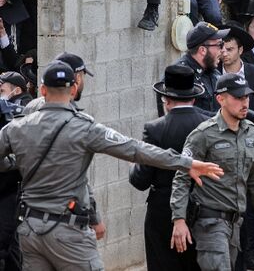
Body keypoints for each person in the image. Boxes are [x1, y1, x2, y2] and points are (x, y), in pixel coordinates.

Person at [0, 61, 222, 270]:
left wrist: (15, 161)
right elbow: (135, 149)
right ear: (73, 91)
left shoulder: (16, 127)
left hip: (30, 230)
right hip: (68, 231)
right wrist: (185, 163)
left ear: (42, 91)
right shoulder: (84, 128)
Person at [170, 73, 254, 270]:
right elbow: (182, 177)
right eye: (238, 98)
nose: (245, 103)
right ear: (221, 99)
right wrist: (179, 219)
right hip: (209, 221)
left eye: (247, 97)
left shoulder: (251, 131)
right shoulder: (203, 134)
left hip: (235, 222)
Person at [129, 65, 211, 271]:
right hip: (204, 208)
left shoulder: (155, 128)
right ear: (193, 97)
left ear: (166, 99)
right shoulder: (209, 124)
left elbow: (140, 180)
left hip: (163, 210)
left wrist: (134, 161)